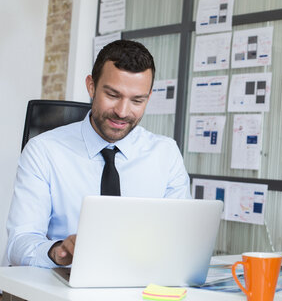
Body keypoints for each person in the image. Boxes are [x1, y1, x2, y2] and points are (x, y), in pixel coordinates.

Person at [6, 40, 190, 268]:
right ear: (91, 86)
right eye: (113, 95)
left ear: (148, 98)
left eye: (137, 100)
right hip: (64, 286)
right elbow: (19, 244)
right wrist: (57, 251)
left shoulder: (166, 153)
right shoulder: (43, 151)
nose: (122, 112)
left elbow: (183, 240)